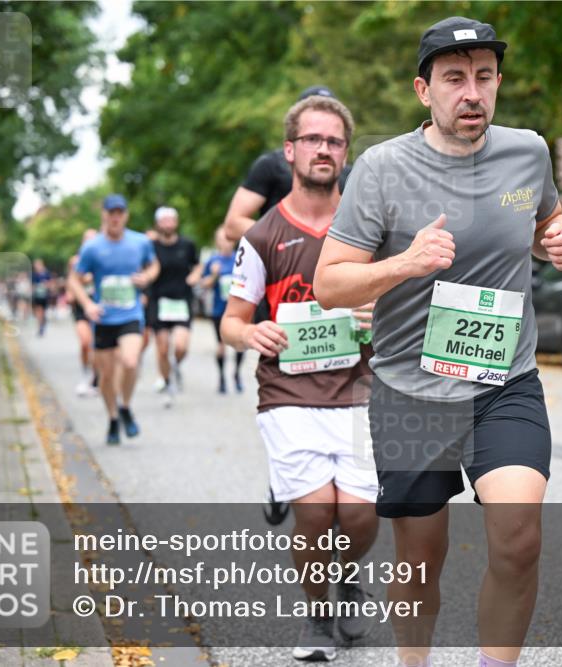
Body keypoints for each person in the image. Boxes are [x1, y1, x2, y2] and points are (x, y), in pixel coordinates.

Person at [314, 17, 562, 667]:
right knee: (420, 552)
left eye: (485, 77)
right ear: (423, 90)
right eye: (455, 78)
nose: (472, 93)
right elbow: (329, 283)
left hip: (505, 380)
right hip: (410, 389)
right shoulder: (380, 169)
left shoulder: (529, 152)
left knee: (518, 537)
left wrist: (560, 239)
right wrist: (404, 263)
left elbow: (547, 218)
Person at [221, 94, 379, 663]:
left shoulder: (367, 230)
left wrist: (376, 311)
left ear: (345, 153)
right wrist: (251, 334)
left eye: (334, 141)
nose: (323, 149)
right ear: (290, 150)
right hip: (287, 393)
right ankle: (316, 617)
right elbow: (231, 322)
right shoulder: (262, 235)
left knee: (358, 515)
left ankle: (347, 577)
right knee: (316, 510)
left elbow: (404, 299)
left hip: (361, 392)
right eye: (312, 139)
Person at [69, 194, 160, 445]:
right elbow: (74, 279)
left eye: (120, 212)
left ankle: (126, 406)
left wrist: (148, 277)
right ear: (104, 216)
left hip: (130, 315)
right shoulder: (92, 247)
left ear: (126, 215)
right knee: (107, 376)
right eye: (111, 212)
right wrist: (87, 304)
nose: (116, 217)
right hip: (103, 318)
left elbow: (154, 265)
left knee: (130, 362)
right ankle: (112, 418)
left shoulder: (140, 242)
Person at [222, 86, 354, 244]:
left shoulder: (351, 177)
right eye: (312, 138)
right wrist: (290, 241)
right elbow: (232, 225)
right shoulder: (270, 165)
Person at [146, 206, 202, 407]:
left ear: (176, 223)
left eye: (171, 220)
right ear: (158, 224)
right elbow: (144, 267)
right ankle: (168, 383)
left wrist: (195, 275)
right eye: (164, 220)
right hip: (158, 301)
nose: (168, 224)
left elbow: (197, 264)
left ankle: (176, 366)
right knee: (162, 349)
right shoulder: (150, 246)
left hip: (181, 301)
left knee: (180, 346)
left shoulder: (187, 245)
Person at [200, 226, 245, 394]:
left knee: (240, 344)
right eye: (221, 240)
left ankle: (237, 374)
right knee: (221, 345)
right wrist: (213, 276)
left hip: (240, 309)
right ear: (217, 242)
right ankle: (221, 378)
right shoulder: (212, 262)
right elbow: (203, 284)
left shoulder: (241, 259)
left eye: (228, 239)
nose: (225, 243)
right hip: (219, 310)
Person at [68, 228, 99, 397]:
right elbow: (72, 280)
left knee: (98, 346)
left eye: (93, 239)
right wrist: (71, 293)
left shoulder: (104, 258)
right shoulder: (76, 261)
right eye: (87, 239)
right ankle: (85, 374)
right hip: (81, 308)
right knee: (86, 342)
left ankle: (96, 379)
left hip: (100, 307)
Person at [31, 258, 52, 336]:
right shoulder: (34, 275)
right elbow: (32, 285)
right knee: (38, 311)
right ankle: (40, 326)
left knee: (43, 312)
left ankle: (43, 324)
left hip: (45, 296)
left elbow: (50, 283)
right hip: (37, 296)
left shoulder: (46, 273)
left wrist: (46, 285)